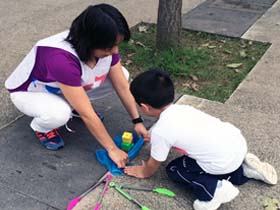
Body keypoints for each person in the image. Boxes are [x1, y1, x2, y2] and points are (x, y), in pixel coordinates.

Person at [5, 4, 149, 168]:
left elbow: (122, 86)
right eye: (109, 47)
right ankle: (41, 128)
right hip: (30, 93)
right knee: (59, 114)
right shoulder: (60, 58)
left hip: (62, 88)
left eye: (117, 45)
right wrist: (112, 149)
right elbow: (87, 114)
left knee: (123, 74)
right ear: (90, 41)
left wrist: (137, 121)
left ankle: (73, 103)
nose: (115, 51)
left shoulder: (100, 45)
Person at [124, 68, 278, 210]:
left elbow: (154, 163)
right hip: (237, 144)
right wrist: (160, 140)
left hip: (222, 162)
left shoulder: (161, 131)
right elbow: (185, 133)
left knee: (174, 169)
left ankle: (214, 190)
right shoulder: (183, 109)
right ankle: (244, 170)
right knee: (219, 159)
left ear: (144, 107)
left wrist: (144, 171)